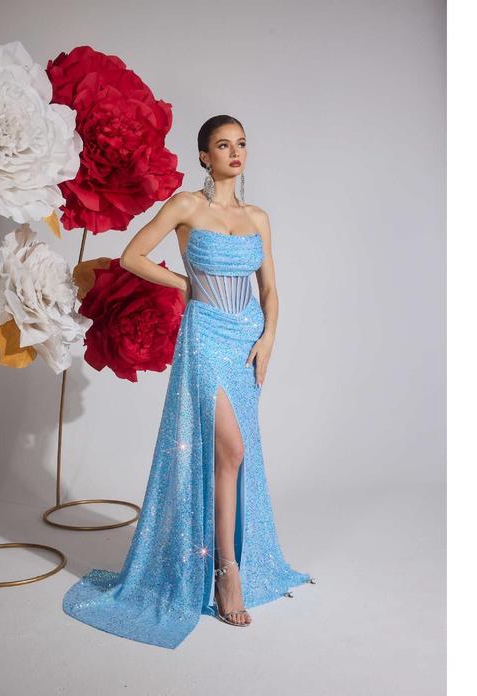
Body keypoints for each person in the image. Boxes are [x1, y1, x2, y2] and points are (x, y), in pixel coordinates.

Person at [62, 115, 314, 649]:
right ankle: (225, 572)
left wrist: (268, 338)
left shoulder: (257, 217)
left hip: (246, 339)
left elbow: (271, 289)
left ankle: (231, 560)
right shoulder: (185, 206)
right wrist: (182, 283)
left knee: (234, 456)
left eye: (241, 143)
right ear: (205, 156)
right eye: (223, 145)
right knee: (231, 447)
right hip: (204, 335)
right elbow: (132, 256)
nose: (235, 152)